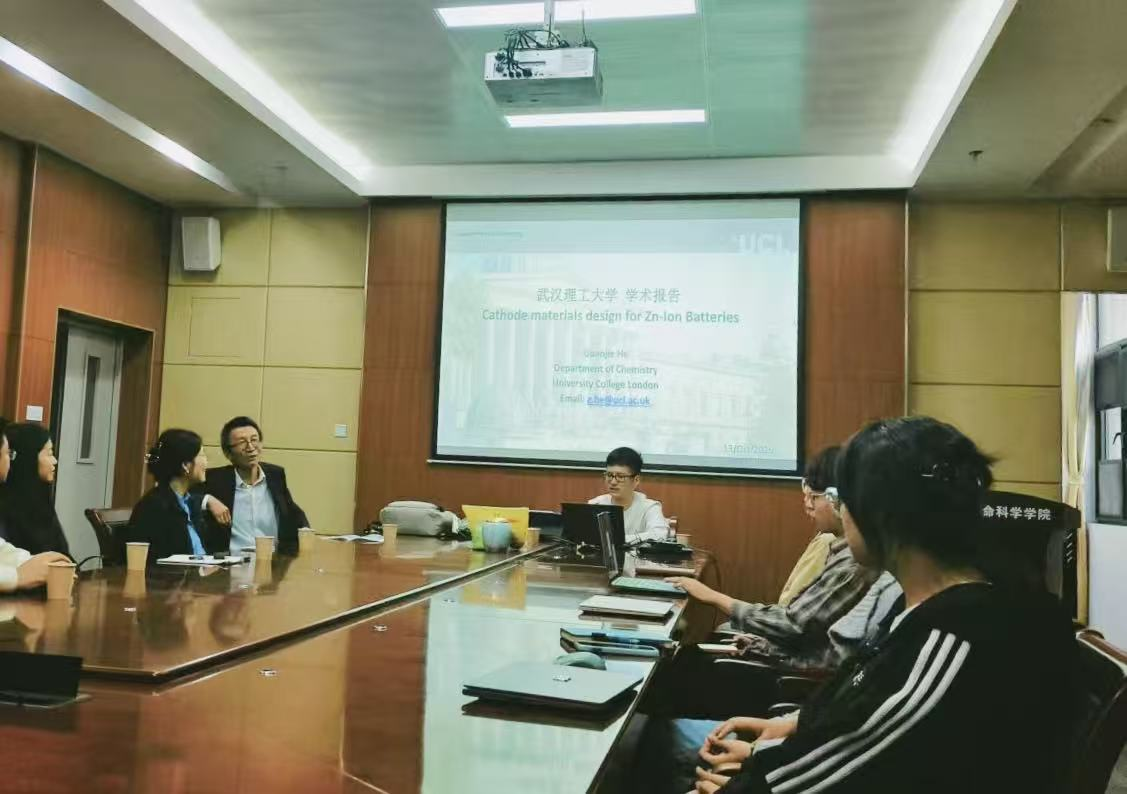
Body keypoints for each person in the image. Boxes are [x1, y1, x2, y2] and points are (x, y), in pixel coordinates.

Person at [689, 417, 1077, 794]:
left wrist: (747, 782)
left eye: (844, 501)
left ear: (881, 516)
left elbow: (856, 753)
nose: (841, 512)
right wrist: (787, 730)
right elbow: (856, 710)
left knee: (661, 751)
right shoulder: (925, 604)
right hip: (810, 763)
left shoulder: (957, 636)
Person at [668, 446, 873, 655]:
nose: (808, 505)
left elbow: (792, 625)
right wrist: (759, 644)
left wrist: (712, 596)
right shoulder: (841, 549)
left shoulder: (854, 560)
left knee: (683, 657)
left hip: (792, 669)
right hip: (783, 655)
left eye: (814, 496)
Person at [200, 417, 310, 555]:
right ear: (228, 453)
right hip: (231, 562)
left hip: (272, 561)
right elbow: (183, 496)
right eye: (242, 442)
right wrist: (208, 500)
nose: (250, 447)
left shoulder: (275, 476)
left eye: (254, 440)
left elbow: (293, 513)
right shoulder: (216, 479)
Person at [128, 429, 222, 560]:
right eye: (202, 455)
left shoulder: (189, 503)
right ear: (185, 465)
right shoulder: (155, 507)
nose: (206, 462)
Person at [0, 422, 69, 556]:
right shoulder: (8, 508)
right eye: (49, 453)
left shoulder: (41, 499)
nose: (54, 461)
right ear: (30, 457)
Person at [589, 447, 668, 544]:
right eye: (609, 475)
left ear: (636, 480)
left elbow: (659, 535)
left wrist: (619, 539)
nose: (613, 482)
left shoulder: (649, 507)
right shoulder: (596, 504)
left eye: (620, 477)